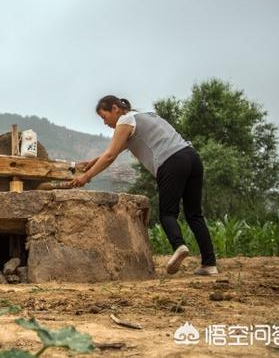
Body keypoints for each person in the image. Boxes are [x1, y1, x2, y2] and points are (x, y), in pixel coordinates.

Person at [70, 95, 218, 276]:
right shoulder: (145, 116)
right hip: (192, 157)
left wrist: (85, 178)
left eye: (104, 117)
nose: (105, 122)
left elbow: (110, 156)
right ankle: (209, 264)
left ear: (115, 109)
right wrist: (92, 162)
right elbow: (112, 151)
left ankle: (179, 246)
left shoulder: (125, 120)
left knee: (167, 214)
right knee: (194, 214)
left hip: (171, 162)